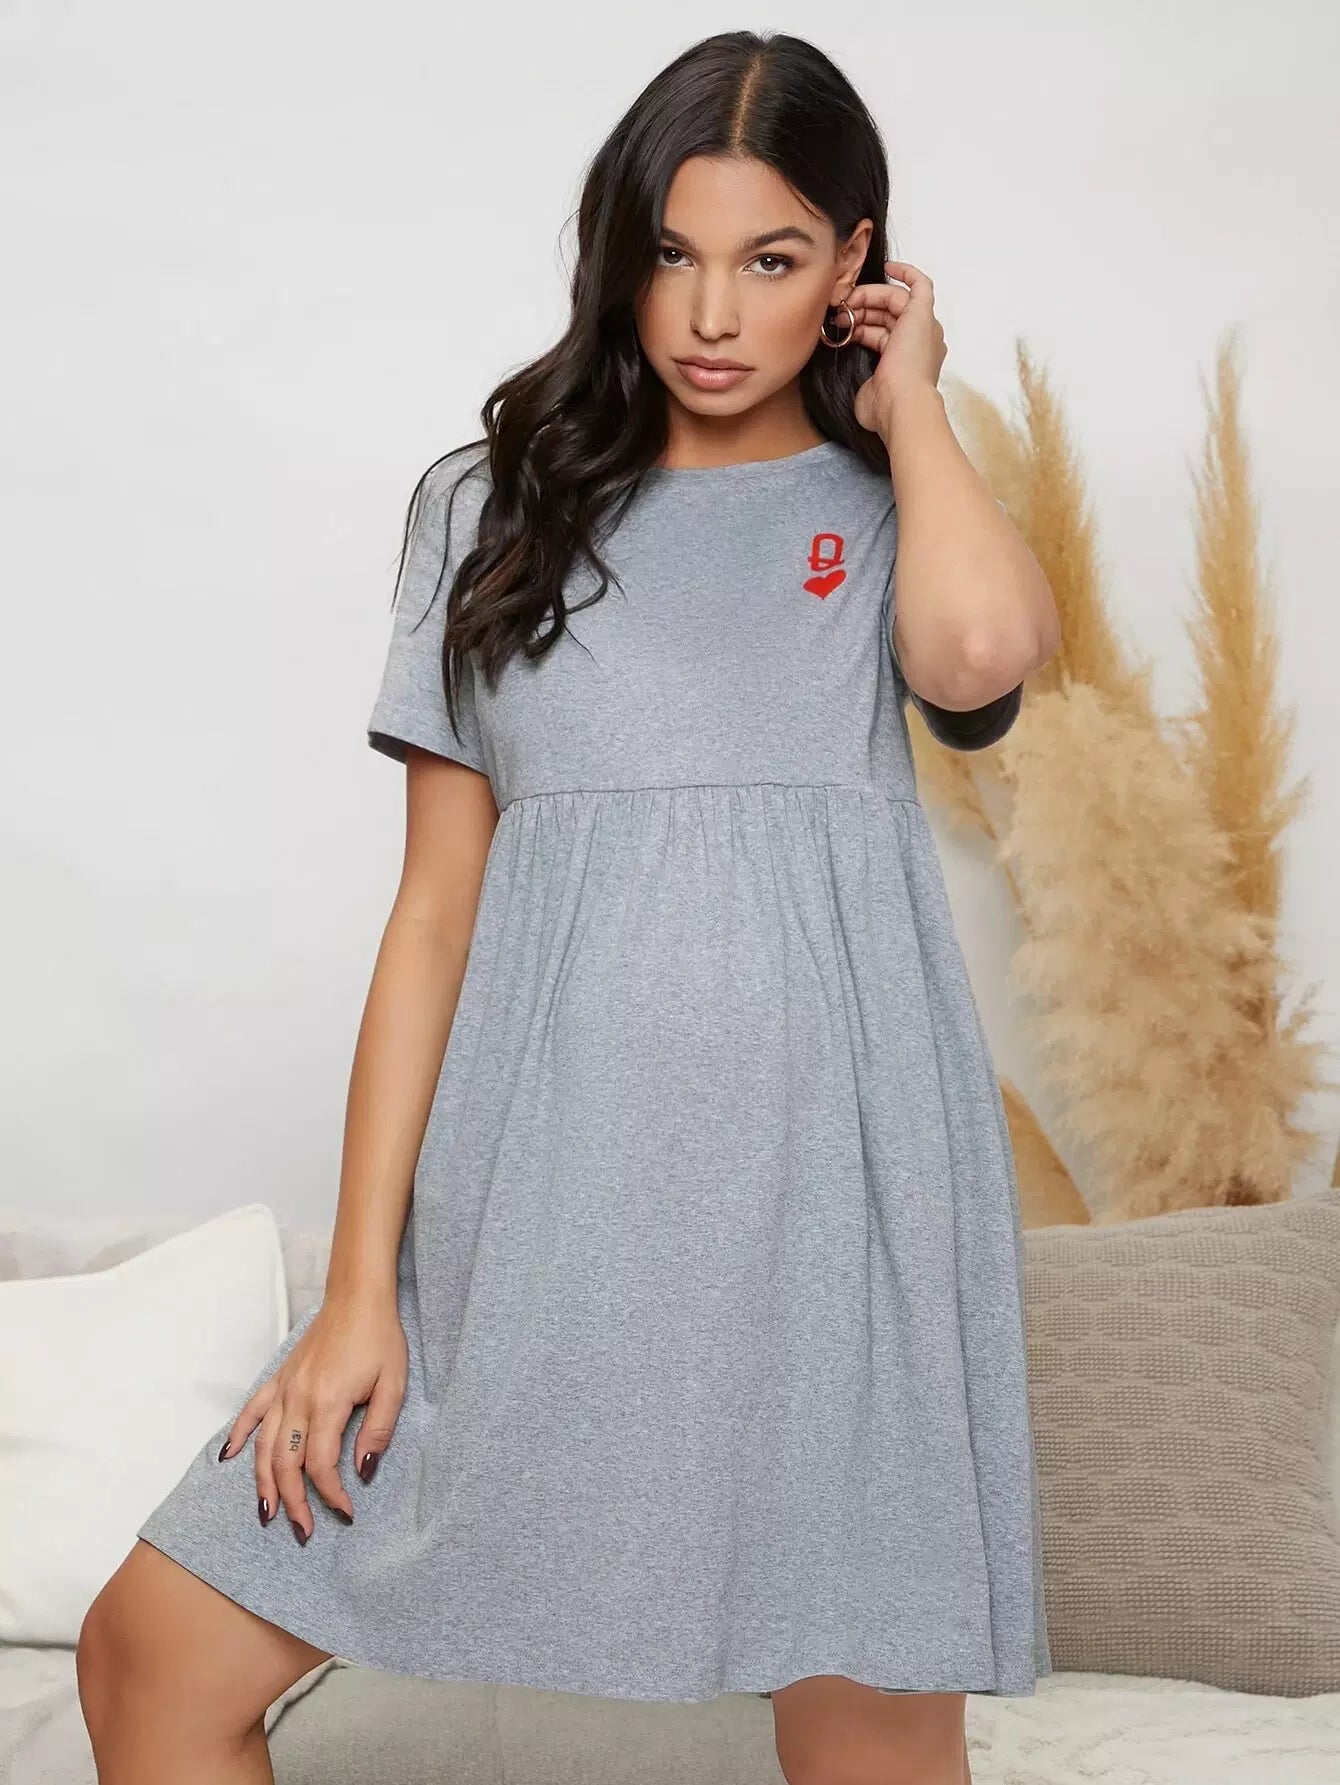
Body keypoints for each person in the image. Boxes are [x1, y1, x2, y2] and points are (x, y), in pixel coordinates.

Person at [77, 27, 1060, 1785]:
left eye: (774, 260)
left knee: (870, 1744)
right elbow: (431, 919)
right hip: (533, 1217)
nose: (711, 313)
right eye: (673, 252)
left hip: (833, 1218)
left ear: (858, 261)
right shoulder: (494, 507)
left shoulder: (892, 501)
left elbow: (981, 654)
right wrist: (360, 1289)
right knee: (152, 1653)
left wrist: (911, 398)